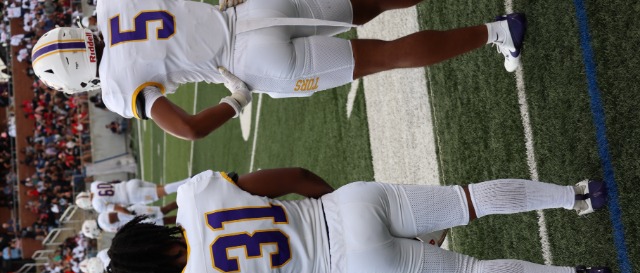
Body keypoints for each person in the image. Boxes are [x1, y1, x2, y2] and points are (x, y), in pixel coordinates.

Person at [106, 168, 612, 273]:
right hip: (347, 205)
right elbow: (296, 177)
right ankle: (576, 195)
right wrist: (340, 209)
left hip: (348, 263)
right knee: (468, 200)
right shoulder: (195, 195)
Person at [31, 0, 526, 140]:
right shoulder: (112, 4)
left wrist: (235, 101)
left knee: (386, 55)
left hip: (251, 64)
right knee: (372, 1)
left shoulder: (118, 88)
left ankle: (498, 32)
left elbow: (188, 129)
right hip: (252, 9)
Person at [75, 178, 188, 213]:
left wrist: (129, 213)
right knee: (161, 188)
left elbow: (118, 208)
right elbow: (112, 183)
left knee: (163, 191)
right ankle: (186, 183)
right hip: (129, 184)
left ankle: (188, 181)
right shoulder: (94, 185)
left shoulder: (97, 204)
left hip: (132, 196)